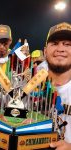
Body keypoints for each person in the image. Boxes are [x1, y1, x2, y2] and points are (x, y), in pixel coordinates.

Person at [41, 22, 71, 150]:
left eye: (67, 44)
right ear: (45, 51)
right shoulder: (27, 86)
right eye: (54, 43)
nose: (60, 49)